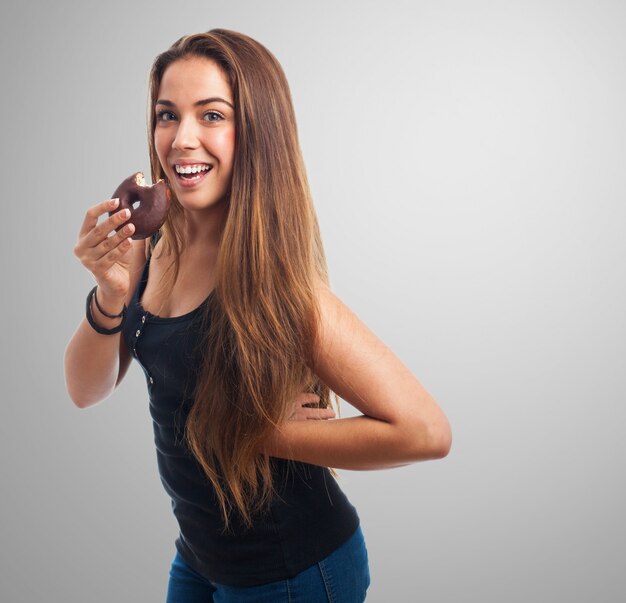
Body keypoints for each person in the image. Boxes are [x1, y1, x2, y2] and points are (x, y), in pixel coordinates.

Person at [64, 29, 452, 603]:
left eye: (212, 115)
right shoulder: (152, 244)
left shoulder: (280, 287)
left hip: (293, 573)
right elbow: (84, 390)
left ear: (256, 133)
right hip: (199, 556)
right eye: (167, 115)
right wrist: (110, 293)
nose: (181, 139)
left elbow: (425, 432)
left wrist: (263, 435)